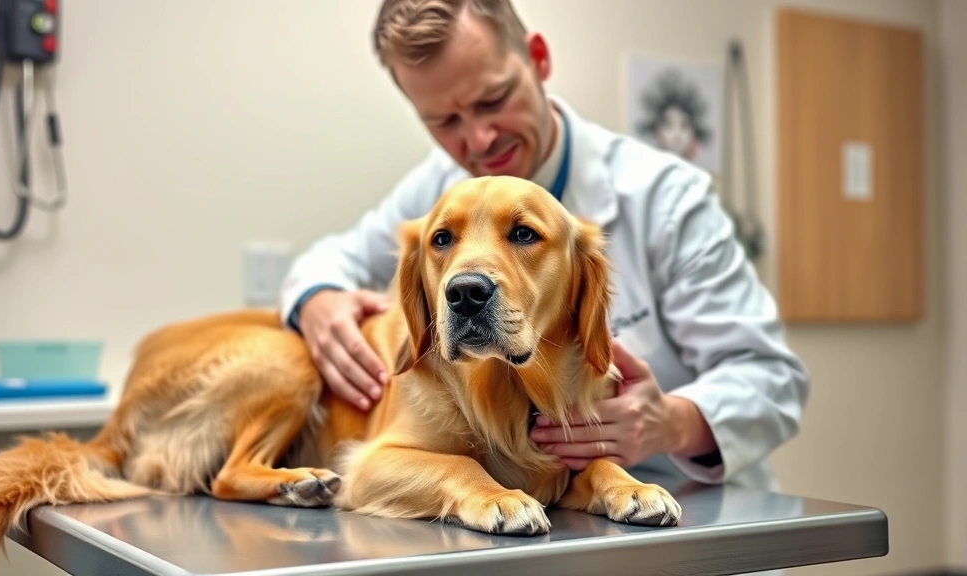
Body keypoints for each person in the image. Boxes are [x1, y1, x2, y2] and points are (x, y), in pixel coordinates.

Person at [278, 0, 809, 491]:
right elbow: (330, 259)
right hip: (542, 511)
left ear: (537, 60)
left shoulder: (666, 198)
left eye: (493, 99)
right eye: (445, 121)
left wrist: (670, 423)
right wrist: (317, 300)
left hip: (684, 498)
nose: (479, 140)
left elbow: (771, 378)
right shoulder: (439, 189)